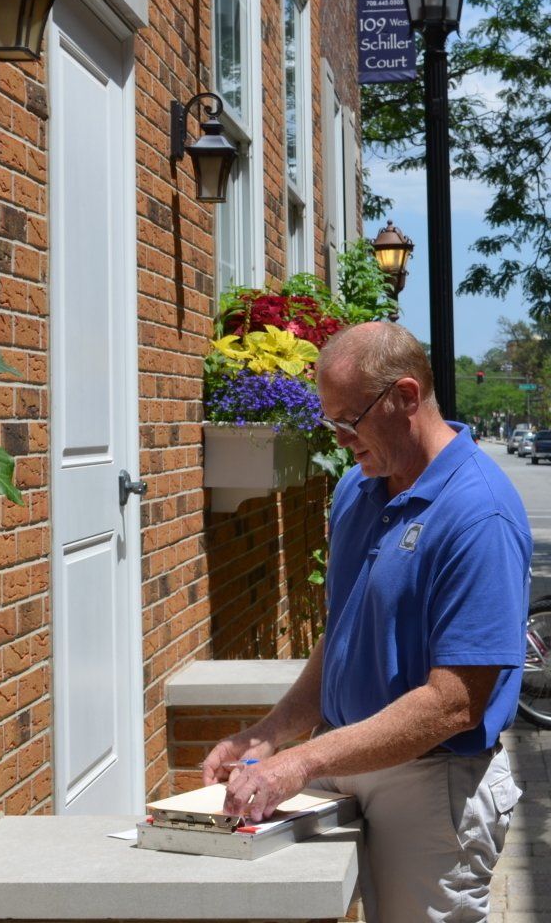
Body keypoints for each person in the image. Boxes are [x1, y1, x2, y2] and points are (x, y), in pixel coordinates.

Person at [202, 322, 533, 921]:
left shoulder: (478, 511)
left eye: (348, 418)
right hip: (346, 759)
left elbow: (454, 704)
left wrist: (303, 761)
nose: (339, 437)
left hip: (432, 782)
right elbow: (347, 636)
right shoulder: (358, 487)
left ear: (406, 397)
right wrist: (272, 734)